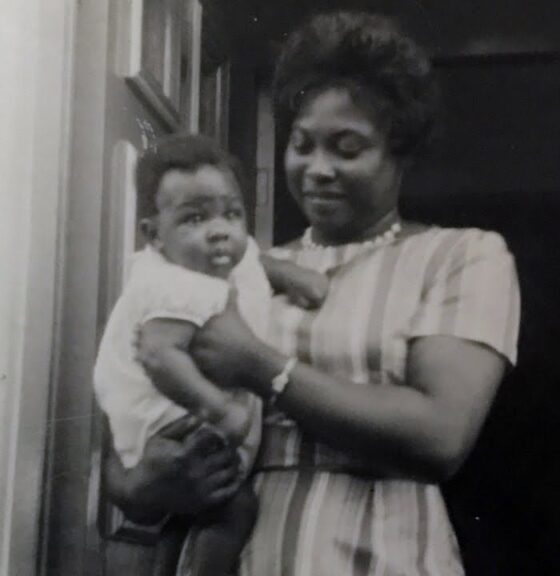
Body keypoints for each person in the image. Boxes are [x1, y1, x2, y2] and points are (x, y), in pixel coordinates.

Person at [105, 11, 521, 576]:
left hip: (382, 553)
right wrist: (144, 484)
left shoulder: (460, 257)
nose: (317, 169)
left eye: (346, 149)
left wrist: (262, 367)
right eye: (302, 145)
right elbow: (132, 432)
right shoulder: (240, 266)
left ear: (401, 154)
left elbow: (440, 435)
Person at [94, 133, 327, 576]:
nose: (220, 230)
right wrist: (217, 407)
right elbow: (161, 356)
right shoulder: (173, 284)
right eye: (195, 218)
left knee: (187, 521)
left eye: (232, 214)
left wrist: (289, 273)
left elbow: (252, 261)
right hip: (169, 418)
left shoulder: (215, 257)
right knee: (230, 510)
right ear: (153, 234)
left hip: (183, 422)